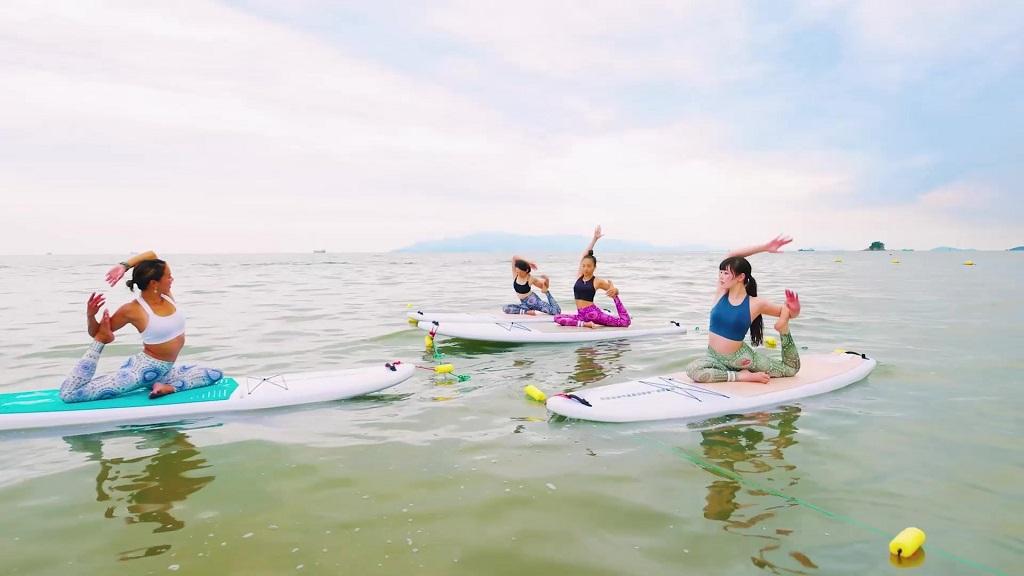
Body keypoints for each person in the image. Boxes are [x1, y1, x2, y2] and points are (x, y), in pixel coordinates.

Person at [60, 251, 223, 402]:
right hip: (141, 371)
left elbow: (151, 254)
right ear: (154, 283)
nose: (172, 279)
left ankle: (167, 387)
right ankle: (155, 384)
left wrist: (123, 266)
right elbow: (98, 332)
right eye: (169, 277)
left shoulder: (166, 297)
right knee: (70, 395)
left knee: (214, 374)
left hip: (166, 371)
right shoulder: (133, 309)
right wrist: (91, 316)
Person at [685, 235, 801, 384]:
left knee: (790, 370)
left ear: (740, 277)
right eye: (720, 272)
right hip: (713, 357)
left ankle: (784, 330)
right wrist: (765, 247)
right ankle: (740, 376)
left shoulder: (756, 303)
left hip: (741, 359)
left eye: (726, 273)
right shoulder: (721, 292)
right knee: (693, 370)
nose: (721, 276)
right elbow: (731, 256)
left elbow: (789, 313)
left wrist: (794, 310)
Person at [553, 226, 631, 328]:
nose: (586, 268)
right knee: (557, 318)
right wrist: (594, 239)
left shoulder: (597, 281)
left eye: (589, 266)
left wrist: (615, 290)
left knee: (624, 322)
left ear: (594, 267)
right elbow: (584, 256)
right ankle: (585, 324)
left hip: (594, 314)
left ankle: (620, 315)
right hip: (581, 315)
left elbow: (613, 290)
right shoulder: (579, 276)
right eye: (584, 266)